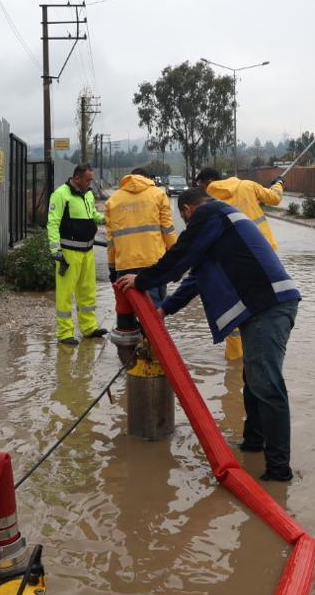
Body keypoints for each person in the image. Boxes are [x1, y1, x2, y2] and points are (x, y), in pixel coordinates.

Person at [114, 187, 301, 481]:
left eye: (184, 219)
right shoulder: (220, 222)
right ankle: (254, 443)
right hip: (268, 306)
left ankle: (279, 471)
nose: (187, 224)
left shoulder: (209, 213)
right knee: (254, 380)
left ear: (187, 210)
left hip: (269, 307)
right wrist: (165, 309)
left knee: (267, 384)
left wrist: (143, 279)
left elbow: (179, 255)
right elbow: (195, 279)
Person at [195, 167, 285, 360]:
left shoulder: (205, 201)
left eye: (200, 184)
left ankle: (235, 360)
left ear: (207, 182)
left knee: (233, 308)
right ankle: (262, 353)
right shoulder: (247, 185)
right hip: (263, 256)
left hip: (230, 262)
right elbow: (275, 198)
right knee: (264, 305)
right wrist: (278, 183)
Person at [104, 167, 176, 332]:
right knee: (153, 314)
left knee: (126, 314)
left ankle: (130, 354)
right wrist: (175, 258)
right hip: (154, 265)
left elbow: (111, 240)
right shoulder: (158, 194)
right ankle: (152, 353)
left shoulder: (113, 201)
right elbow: (168, 230)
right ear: (148, 178)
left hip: (125, 265)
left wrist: (112, 268)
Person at [47, 164, 107, 346]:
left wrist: (103, 218)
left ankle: (89, 328)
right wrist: (55, 251)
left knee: (87, 292)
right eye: (88, 180)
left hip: (87, 252)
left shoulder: (87, 194)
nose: (91, 183)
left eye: (91, 179)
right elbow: (52, 223)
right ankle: (64, 333)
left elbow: (92, 215)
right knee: (65, 295)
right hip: (68, 253)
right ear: (77, 178)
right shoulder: (61, 194)